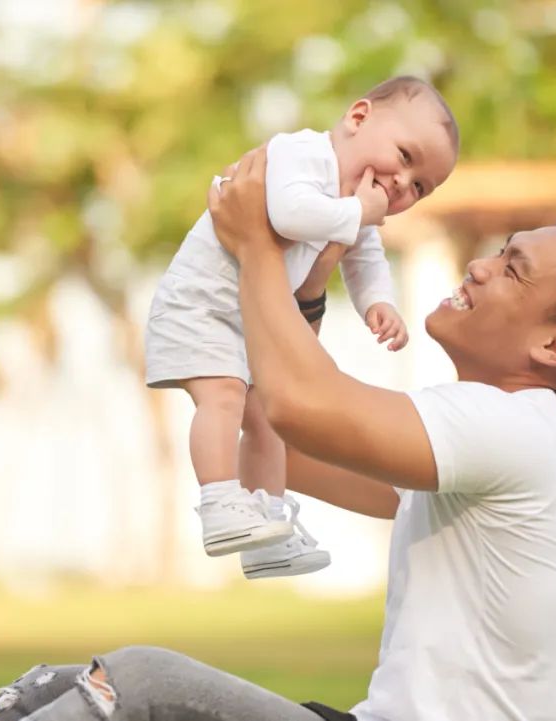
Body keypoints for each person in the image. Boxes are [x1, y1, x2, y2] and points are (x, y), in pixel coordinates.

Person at [0, 146, 556, 721]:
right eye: (501, 251)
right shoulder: (497, 444)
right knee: (49, 691)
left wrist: (256, 248)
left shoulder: (517, 430)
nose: (480, 266)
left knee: (139, 682)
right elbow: (282, 435)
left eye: (513, 272)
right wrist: (303, 283)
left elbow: (301, 405)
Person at [145, 76, 458, 578]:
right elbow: (290, 213)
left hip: (243, 321)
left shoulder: (357, 206)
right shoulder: (303, 154)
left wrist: (378, 301)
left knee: (268, 418)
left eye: (420, 185)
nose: (403, 183)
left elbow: (366, 256)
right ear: (358, 119)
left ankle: (266, 523)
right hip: (200, 308)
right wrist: (358, 213)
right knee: (223, 396)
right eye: (405, 156)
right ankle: (219, 502)